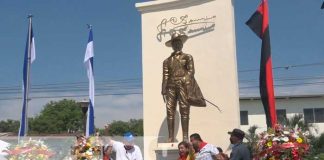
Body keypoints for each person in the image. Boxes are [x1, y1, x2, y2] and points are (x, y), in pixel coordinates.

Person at [162, 33, 206, 142]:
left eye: (178, 43)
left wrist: (184, 79)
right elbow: (165, 75)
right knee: (169, 110)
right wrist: (163, 89)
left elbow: (191, 71)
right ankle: (171, 136)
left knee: (184, 109)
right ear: (172, 45)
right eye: (175, 43)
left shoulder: (187, 57)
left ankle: (185, 136)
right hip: (170, 86)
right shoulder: (167, 61)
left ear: (181, 44)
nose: (177, 45)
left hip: (183, 86)